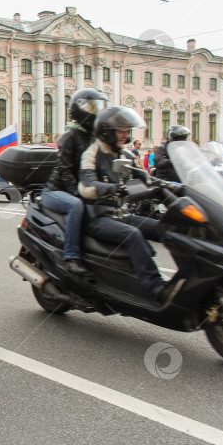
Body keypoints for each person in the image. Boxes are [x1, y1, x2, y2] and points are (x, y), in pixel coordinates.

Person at [78, 106, 183, 304]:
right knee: (132, 234)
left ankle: (185, 278)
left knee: (166, 229)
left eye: (127, 131)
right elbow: (86, 185)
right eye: (121, 130)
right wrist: (113, 188)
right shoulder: (91, 154)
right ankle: (157, 289)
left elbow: (148, 178)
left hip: (122, 214)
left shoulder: (125, 155)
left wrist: (179, 189)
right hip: (98, 217)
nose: (125, 135)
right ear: (107, 130)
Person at [40, 88, 108, 274]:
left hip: (80, 188)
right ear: (80, 109)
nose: (97, 111)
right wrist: (77, 193)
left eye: (99, 107)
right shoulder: (70, 137)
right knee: (76, 205)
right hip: (55, 191)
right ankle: (71, 257)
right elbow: (64, 170)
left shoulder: (95, 138)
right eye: (93, 107)